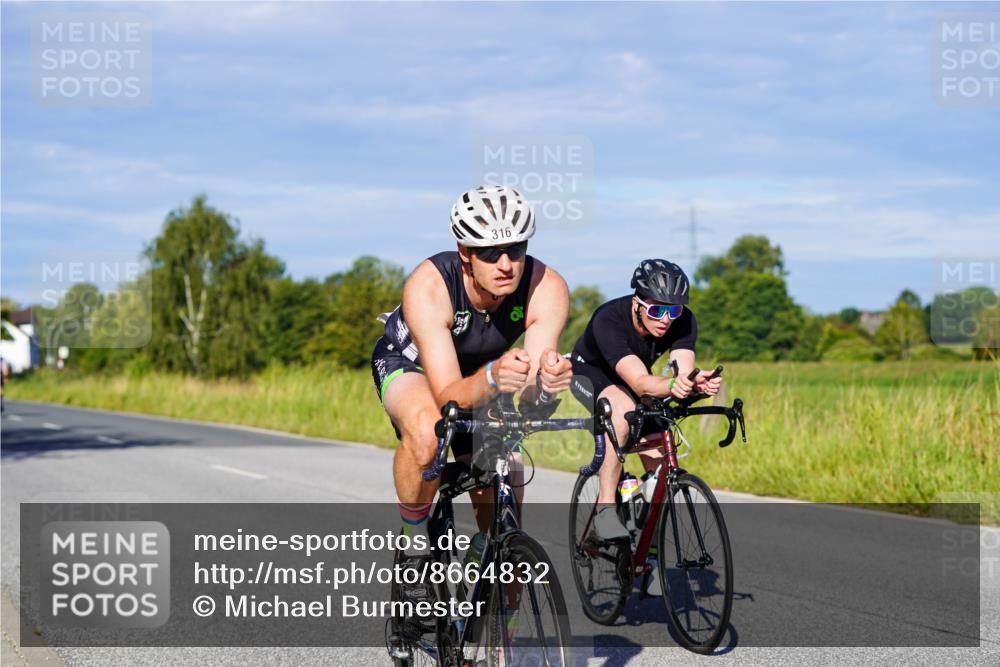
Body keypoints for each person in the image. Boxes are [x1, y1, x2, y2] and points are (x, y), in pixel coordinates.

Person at [371, 185, 573, 563]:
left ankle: (493, 567)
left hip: (481, 372)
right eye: (490, 253)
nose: (506, 265)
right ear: (465, 253)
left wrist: (546, 387)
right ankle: (414, 540)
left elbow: (529, 396)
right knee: (427, 430)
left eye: (515, 249)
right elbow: (449, 394)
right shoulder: (430, 285)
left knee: (505, 464)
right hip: (412, 362)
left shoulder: (548, 288)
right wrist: (494, 378)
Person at [569, 259, 722, 539]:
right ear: (637, 303)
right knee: (621, 408)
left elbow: (682, 371)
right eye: (656, 310)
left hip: (636, 373)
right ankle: (604, 510)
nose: (666, 319)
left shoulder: (683, 321)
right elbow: (640, 384)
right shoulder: (609, 319)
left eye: (673, 310)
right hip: (591, 373)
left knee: (660, 465)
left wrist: (693, 384)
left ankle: (646, 555)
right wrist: (673, 384)